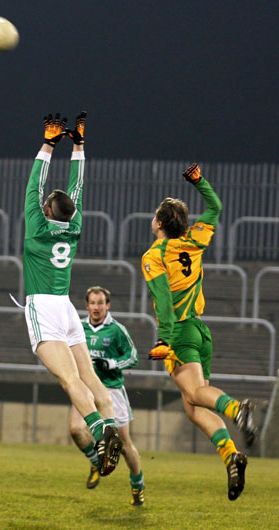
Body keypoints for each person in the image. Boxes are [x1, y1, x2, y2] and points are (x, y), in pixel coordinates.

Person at [141, 164, 257, 501]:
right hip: (200, 330)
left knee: (193, 396)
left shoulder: (154, 255)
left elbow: (163, 301)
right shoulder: (194, 240)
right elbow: (216, 207)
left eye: (154, 217)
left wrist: (164, 339)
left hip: (179, 333)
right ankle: (231, 457)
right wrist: (199, 182)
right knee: (194, 406)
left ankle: (238, 410)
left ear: (159, 224)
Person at [23, 112, 122, 476]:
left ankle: (99, 433)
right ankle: (111, 429)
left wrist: (48, 145)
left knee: (70, 381)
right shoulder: (75, 224)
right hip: (66, 307)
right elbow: (77, 187)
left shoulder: (37, 226)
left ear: (47, 210)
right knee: (91, 380)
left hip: (44, 307)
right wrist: (78, 146)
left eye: (46, 201)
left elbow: (34, 184)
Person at [69, 286, 145, 506]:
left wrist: (111, 363)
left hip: (111, 390)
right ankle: (96, 461)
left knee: (123, 444)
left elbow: (133, 356)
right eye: (92, 303)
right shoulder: (78, 328)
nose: (96, 307)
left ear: (107, 306)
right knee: (75, 430)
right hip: (85, 389)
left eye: (100, 303)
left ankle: (137, 485)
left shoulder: (116, 330)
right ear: (87, 305)